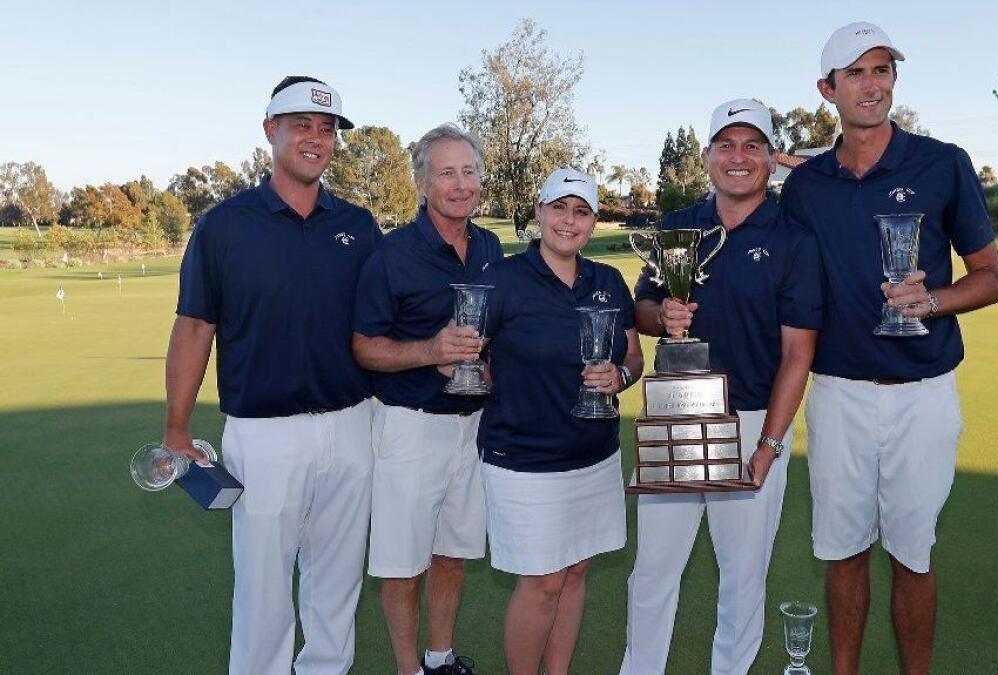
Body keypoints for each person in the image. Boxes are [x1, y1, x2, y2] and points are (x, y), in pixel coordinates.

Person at [780, 22, 998, 675]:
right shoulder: (806, 187)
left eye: (881, 70)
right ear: (828, 89)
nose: (871, 84)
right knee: (843, 552)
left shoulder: (944, 163)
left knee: (913, 552)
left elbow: (991, 278)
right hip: (839, 395)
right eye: (855, 73)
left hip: (923, 393)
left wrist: (933, 299)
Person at [164, 76, 380, 674]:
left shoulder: (359, 226)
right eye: (302, 125)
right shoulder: (224, 225)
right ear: (270, 131)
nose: (317, 138)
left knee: (336, 585)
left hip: (352, 422)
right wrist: (177, 430)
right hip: (263, 433)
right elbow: (193, 328)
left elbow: (383, 322)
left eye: (328, 128)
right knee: (263, 590)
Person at [621, 99, 825, 675]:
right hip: (678, 417)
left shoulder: (792, 237)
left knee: (742, 575)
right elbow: (642, 309)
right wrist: (664, 316)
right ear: (708, 155)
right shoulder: (677, 224)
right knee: (653, 569)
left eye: (753, 146)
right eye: (727, 146)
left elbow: (798, 353)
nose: (739, 158)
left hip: (754, 422)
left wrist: (771, 444)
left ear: (769, 158)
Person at [476, 168, 645, 675]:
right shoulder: (503, 279)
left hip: (593, 456)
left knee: (575, 573)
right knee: (542, 581)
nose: (568, 221)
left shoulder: (609, 281)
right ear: (539, 212)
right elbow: (470, 360)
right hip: (524, 461)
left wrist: (620, 376)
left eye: (581, 211)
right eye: (559, 208)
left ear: (593, 222)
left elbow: (634, 357)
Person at [352, 123, 502, 675]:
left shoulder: (489, 247)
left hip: (474, 425)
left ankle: (439, 658)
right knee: (402, 563)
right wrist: (429, 350)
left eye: (469, 172)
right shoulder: (391, 255)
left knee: (453, 552)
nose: (460, 184)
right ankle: (406, 669)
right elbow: (365, 347)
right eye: (446, 173)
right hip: (411, 427)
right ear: (421, 183)